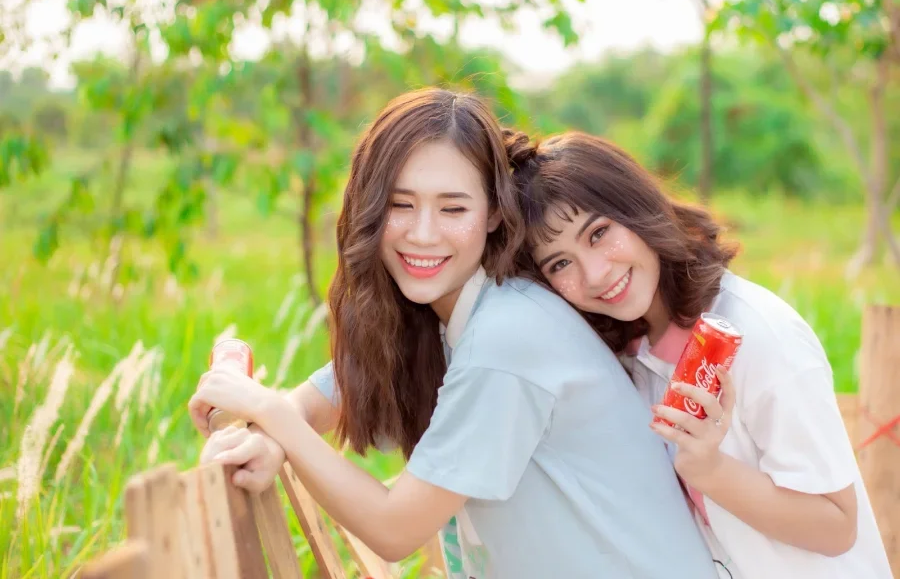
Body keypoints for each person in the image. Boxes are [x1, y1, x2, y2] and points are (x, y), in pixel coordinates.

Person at [188, 89, 719, 578]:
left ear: (492, 213)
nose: (423, 233)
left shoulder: (509, 334)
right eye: (400, 204)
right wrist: (269, 435)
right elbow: (325, 398)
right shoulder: (444, 316)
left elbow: (395, 530)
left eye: (453, 208)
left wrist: (272, 415)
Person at [509, 129, 893, 578]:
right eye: (559, 264)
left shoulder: (759, 333)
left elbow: (838, 526)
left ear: (637, 209)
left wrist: (711, 471)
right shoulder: (629, 353)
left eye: (598, 233)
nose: (593, 275)